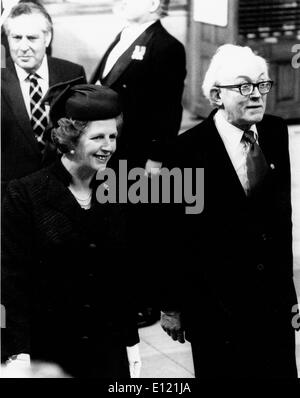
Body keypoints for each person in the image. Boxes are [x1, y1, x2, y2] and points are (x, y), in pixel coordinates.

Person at [160, 44, 299, 378]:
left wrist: (289, 294)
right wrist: (171, 306)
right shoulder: (184, 152)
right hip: (215, 305)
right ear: (216, 95)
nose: (256, 95)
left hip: (273, 302)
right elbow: (169, 235)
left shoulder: (275, 131)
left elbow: (281, 220)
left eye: (262, 84)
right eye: (243, 86)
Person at [1, 83, 141, 378]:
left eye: (113, 136)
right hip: (50, 351)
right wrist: (17, 351)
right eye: (98, 137)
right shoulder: (25, 194)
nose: (109, 146)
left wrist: (131, 343)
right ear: (71, 140)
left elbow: (124, 275)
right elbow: (12, 279)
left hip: (108, 349)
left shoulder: (119, 189)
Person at [90, 0, 186, 174]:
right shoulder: (124, 35)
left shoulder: (167, 47)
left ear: (153, 4)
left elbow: (169, 110)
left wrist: (157, 157)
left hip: (136, 152)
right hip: (107, 144)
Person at [1, 1, 86, 192]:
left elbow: (81, 134)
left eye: (31, 38)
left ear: (46, 39)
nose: (23, 47)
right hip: (10, 192)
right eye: (16, 38)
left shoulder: (72, 74)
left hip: (62, 187)